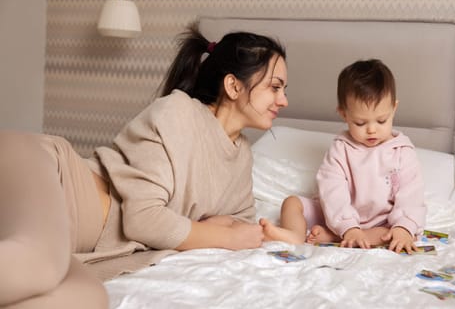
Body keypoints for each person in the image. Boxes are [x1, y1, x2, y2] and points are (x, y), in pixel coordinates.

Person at [0, 21, 288, 308]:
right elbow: (145, 219)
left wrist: (224, 231)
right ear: (234, 86)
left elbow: (242, 225)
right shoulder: (179, 112)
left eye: (284, 89)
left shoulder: (242, 156)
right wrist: (221, 235)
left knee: (87, 299)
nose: (283, 100)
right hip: (53, 176)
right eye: (274, 87)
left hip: (84, 245)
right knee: (38, 264)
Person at [260, 59, 425, 254]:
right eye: (360, 123)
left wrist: (403, 227)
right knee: (292, 203)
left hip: (380, 221)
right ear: (344, 114)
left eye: (381, 120)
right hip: (338, 216)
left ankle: (333, 237)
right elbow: (332, 191)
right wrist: (348, 226)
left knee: (395, 233)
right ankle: (294, 234)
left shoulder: (402, 151)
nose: (372, 129)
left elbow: (411, 195)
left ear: (394, 109)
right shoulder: (341, 148)